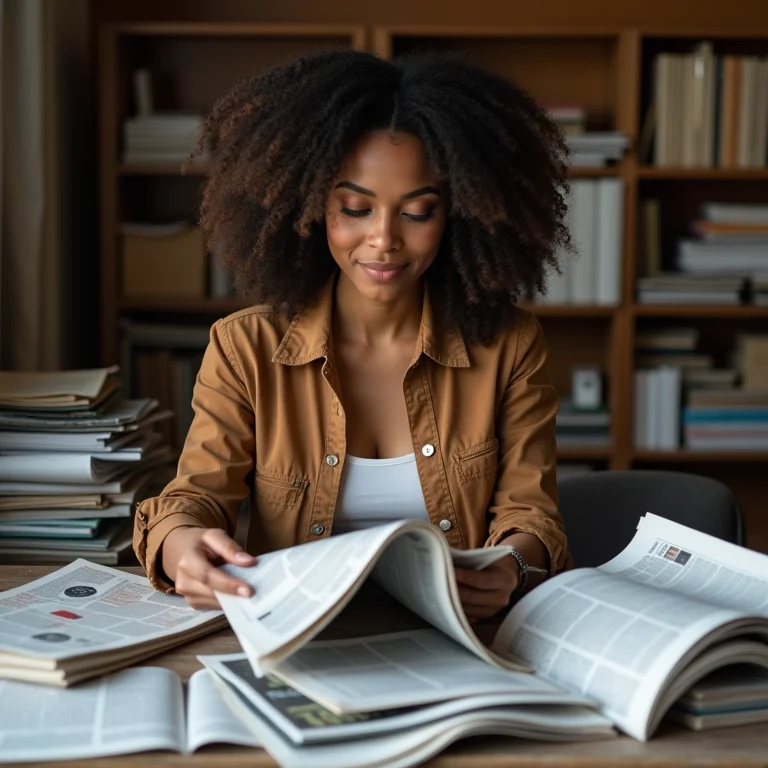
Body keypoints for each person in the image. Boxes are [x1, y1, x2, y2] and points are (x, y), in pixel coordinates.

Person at [133, 50, 572, 622]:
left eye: (417, 212)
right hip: (295, 636)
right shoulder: (246, 349)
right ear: (311, 207)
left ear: (459, 215)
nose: (383, 239)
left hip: (454, 639)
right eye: (355, 208)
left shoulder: (509, 346)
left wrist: (514, 565)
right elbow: (195, 498)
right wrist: (181, 545)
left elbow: (531, 516)